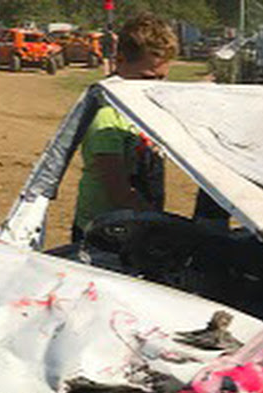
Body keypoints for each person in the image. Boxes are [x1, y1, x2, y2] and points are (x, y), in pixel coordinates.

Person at [72, 13, 178, 243]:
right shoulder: (107, 118)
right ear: (119, 62)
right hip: (102, 233)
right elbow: (119, 192)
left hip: (139, 221)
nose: (152, 88)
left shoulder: (147, 111)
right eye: (146, 78)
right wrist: (163, 223)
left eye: (161, 79)